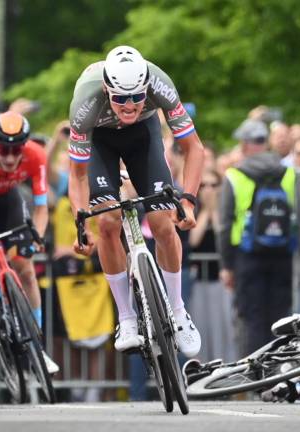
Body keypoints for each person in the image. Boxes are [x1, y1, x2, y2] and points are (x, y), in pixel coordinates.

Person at [66, 45, 204, 357]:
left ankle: (179, 312)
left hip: (144, 136)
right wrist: (80, 220)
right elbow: (76, 175)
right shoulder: (85, 103)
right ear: (106, 89)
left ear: (146, 88)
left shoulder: (160, 85)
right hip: (100, 141)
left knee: (163, 224)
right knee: (107, 222)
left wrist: (190, 201)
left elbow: (194, 148)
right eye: (120, 98)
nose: (129, 105)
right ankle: (126, 319)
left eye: (136, 97)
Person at [0, 110, 60, 373]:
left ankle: (38, 348)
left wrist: (36, 236)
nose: (11, 157)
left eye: (17, 150)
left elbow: (41, 208)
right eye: (4, 150)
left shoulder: (36, 155)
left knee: (24, 267)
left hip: (8, 201)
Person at [219, 119, 296, 356]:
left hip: (247, 256)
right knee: (281, 317)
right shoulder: (289, 173)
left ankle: (256, 380)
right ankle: (281, 372)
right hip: (282, 255)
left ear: (244, 145)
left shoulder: (234, 175)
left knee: (252, 317)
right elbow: (299, 219)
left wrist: (226, 265)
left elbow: (225, 223)